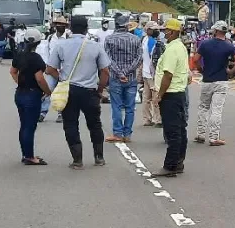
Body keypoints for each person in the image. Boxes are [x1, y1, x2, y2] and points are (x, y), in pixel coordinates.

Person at [46, 17, 112, 170]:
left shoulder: (61, 45)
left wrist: (62, 79)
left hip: (69, 90)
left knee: (70, 124)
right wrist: (100, 89)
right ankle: (99, 157)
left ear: (70, 27)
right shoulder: (95, 46)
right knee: (95, 124)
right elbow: (105, 71)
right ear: (86, 28)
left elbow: (50, 69)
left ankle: (77, 160)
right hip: (89, 91)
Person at [149, 19, 190, 178]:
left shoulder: (172, 50)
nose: (164, 32)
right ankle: (178, 162)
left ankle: (170, 166)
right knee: (180, 129)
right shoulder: (180, 47)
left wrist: (159, 95)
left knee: (172, 132)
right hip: (178, 93)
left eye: (166, 30)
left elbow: (168, 75)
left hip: (170, 94)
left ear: (172, 32)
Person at [194, 21, 235, 145]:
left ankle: (200, 134)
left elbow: (195, 60)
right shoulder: (228, 46)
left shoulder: (205, 44)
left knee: (203, 107)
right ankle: (213, 137)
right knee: (216, 110)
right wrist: (231, 72)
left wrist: (201, 70)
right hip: (221, 81)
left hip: (207, 80)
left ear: (215, 31)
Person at [11, 28, 52, 166]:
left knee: (24, 125)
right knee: (30, 126)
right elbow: (39, 78)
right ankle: (29, 156)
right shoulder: (36, 58)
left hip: (20, 93)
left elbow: (13, 71)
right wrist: (48, 91)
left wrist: (21, 82)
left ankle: (26, 153)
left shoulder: (19, 55)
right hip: (32, 94)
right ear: (38, 42)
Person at [104, 15, 143, 143]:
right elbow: (139, 59)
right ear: (127, 25)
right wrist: (127, 72)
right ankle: (127, 134)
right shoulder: (136, 39)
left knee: (116, 106)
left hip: (115, 78)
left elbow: (108, 60)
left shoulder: (109, 39)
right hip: (131, 78)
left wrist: (120, 73)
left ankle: (118, 133)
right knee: (130, 108)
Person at [37, 16, 69, 123]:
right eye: (59, 24)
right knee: (47, 90)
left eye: (63, 25)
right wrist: (46, 67)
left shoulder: (69, 38)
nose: (61, 26)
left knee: (62, 93)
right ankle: (42, 112)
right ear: (55, 26)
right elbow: (46, 53)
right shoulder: (50, 38)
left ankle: (61, 114)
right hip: (51, 70)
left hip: (64, 71)